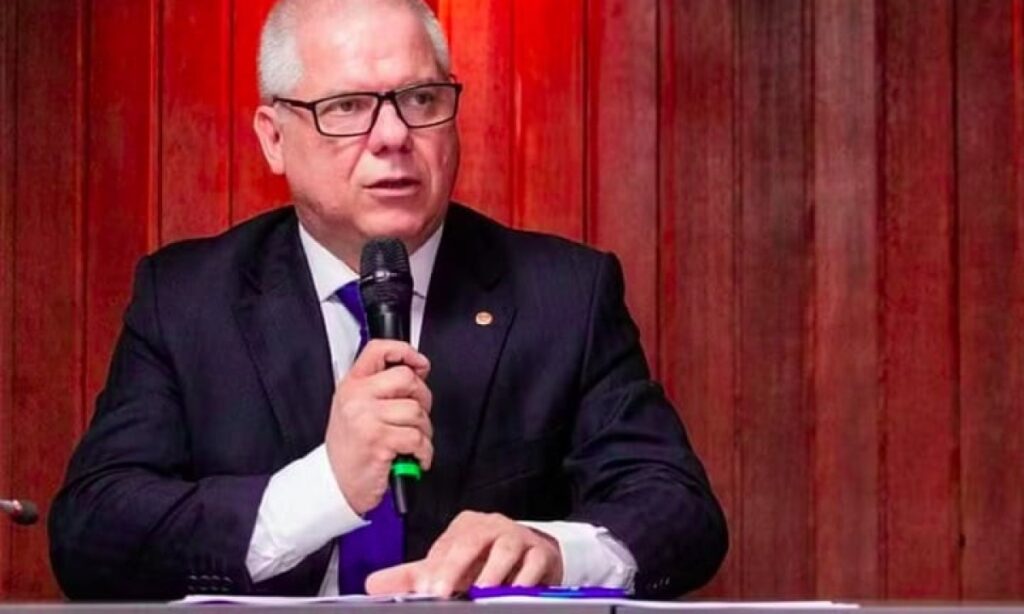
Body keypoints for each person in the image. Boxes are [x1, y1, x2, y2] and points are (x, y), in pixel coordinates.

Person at [48, 0, 727, 600]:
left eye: (421, 99)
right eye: (347, 106)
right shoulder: (187, 299)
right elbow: (91, 531)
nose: (394, 135)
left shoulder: (565, 295)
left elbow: (679, 510)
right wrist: (325, 488)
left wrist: (554, 551)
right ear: (274, 138)